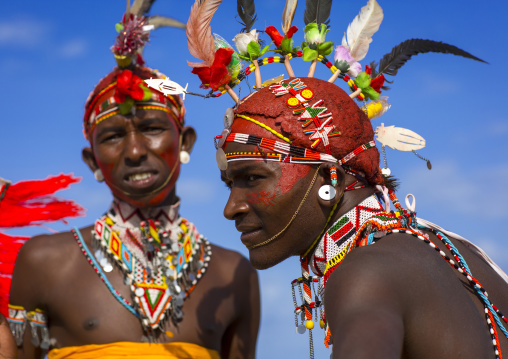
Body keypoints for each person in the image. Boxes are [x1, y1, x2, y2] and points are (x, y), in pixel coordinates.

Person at [183, 0, 508, 357]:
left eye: (252, 178)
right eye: (230, 184)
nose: (231, 208)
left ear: (330, 178)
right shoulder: (458, 252)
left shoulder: (364, 273)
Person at [8, 4, 259, 359]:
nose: (135, 151)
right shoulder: (45, 262)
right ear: (92, 160)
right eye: (112, 137)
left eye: (152, 128)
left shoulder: (233, 273)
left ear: (185, 142)